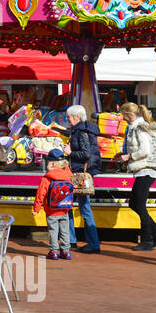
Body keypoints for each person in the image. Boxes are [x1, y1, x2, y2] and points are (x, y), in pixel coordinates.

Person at [120, 102, 156, 251]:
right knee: (134, 203)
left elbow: (144, 150)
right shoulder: (136, 127)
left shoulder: (139, 128)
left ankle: (148, 239)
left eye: (123, 114)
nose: (122, 118)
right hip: (143, 169)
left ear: (129, 114)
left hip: (146, 169)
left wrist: (129, 157)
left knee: (138, 204)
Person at [63, 104, 102, 253]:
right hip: (79, 174)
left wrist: (70, 152)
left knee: (83, 208)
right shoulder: (83, 130)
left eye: (69, 117)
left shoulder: (81, 132)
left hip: (79, 175)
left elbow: (85, 153)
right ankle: (73, 240)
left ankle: (92, 243)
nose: (67, 119)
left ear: (77, 117)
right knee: (75, 207)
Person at [33, 149, 74, 260]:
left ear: (52, 163)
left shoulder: (47, 178)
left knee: (53, 231)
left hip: (51, 210)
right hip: (65, 208)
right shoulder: (68, 175)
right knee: (65, 231)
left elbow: (40, 195)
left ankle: (54, 252)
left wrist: (36, 208)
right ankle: (66, 252)